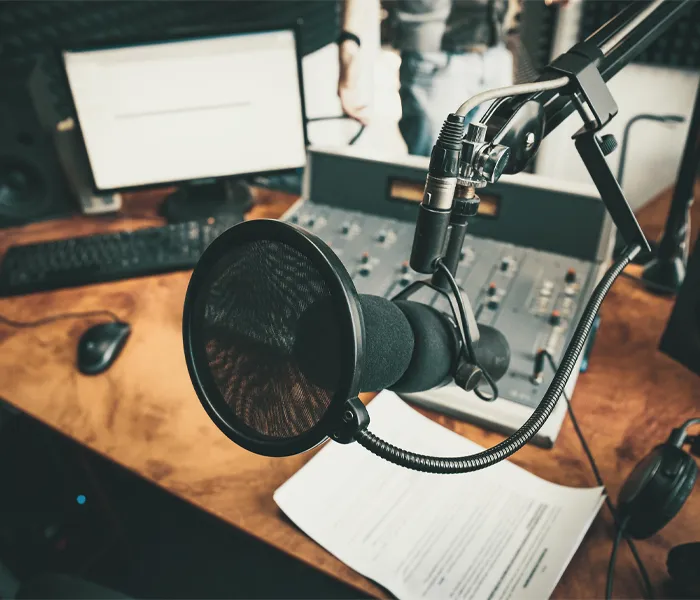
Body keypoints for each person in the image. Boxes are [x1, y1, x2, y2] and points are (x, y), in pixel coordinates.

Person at [338, 0, 558, 156]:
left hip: (494, 52)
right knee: (433, 180)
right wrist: (348, 51)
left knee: (482, 175)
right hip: (435, 58)